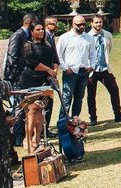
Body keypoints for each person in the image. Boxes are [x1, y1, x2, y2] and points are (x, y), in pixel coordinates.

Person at [17, 23, 59, 152]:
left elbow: (55, 59)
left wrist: (54, 70)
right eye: (38, 29)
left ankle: (37, 137)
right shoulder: (28, 45)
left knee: (42, 110)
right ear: (31, 31)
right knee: (32, 109)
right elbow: (32, 62)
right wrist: (48, 69)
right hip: (31, 80)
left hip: (46, 79)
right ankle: (28, 138)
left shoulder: (48, 44)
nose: (41, 31)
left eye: (42, 29)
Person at [86, 14, 121, 125]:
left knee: (114, 89)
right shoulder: (87, 37)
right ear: (91, 23)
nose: (98, 24)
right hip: (92, 70)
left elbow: (108, 49)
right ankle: (93, 118)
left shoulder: (107, 35)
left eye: (100, 22)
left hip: (104, 68)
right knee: (91, 94)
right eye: (96, 22)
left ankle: (118, 114)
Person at [57, 15, 94, 118]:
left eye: (83, 24)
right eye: (79, 25)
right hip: (71, 71)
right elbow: (58, 54)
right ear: (73, 24)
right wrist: (65, 68)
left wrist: (92, 65)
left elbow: (92, 53)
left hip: (83, 70)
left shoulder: (88, 37)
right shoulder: (65, 37)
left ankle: (75, 121)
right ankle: (63, 122)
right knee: (66, 98)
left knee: (79, 97)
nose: (82, 27)